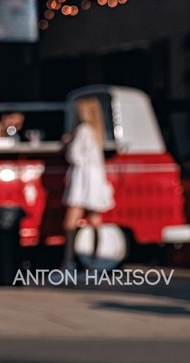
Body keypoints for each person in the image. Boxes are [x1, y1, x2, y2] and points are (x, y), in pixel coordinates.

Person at [61, 96, 116, 270]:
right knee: (95, 221)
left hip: (82, 180)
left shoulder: (82, 130)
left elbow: (74, 156)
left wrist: (67, 144)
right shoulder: (97, 131)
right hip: (96, 179)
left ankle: (68, 261)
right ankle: (95, 259)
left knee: (70, 222)